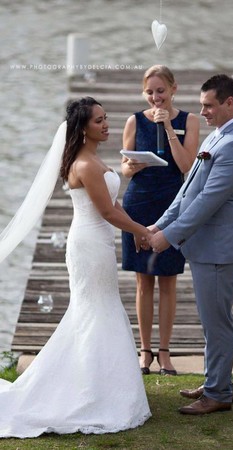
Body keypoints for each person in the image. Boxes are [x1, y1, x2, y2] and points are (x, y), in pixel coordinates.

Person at [0, 97, 151, 438]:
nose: (106, 124)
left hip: (96, 242)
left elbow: (113, 205)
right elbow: (108, 214)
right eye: (98, 120)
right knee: (96, 310)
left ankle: (96, 384)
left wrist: (140, 228)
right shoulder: (85, 165)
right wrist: (142, 232)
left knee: (97, 310)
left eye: (106, 118)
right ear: (83, 128)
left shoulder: (91, 159)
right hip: (89, 245)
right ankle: (92, 392)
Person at [149, 74, 233, 414]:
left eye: (209, 105)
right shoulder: (220, 134)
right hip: (208, 247)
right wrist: (159, 223)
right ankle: (216, 382)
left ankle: (218, 395)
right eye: (201, 105)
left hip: (220, 248)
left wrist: (168, 237)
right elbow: (188, 192)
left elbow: (208, 201)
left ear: (230, 103)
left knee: (217, 323)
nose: (203, 112)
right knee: (212, 321)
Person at [121, 65, 200, 375]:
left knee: (168, 280)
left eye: (161, 91)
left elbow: (185, 165)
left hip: (172, 204)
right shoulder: (134, 120)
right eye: (150, 92)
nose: (155, 97)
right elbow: (124, 168)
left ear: (173, 89)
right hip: (139, 203)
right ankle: (145, 351)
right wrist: (133, 167)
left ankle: (165, 352)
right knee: (143, 281)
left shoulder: (188, 120)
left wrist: (168, 128)